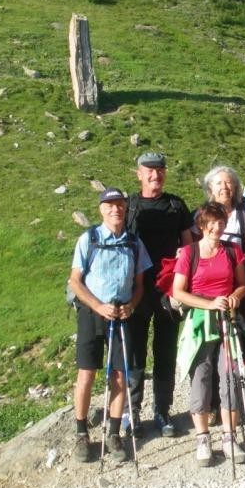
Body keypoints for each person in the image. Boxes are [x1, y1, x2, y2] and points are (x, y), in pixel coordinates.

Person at [67, 188, 153, 462]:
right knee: (86, 372)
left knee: (120, 374)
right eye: (110, 205)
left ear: (125, 209)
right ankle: (81, 433)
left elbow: (140, 285)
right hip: (92, 313)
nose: (115, 210)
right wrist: (97, 305)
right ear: (101, 209)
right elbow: (75, 281)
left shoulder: (135, 243)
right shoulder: (89, 238)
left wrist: (132, 305)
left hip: (122, 313)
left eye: (120, 205)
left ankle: (114, 432)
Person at [174, 202, 245, 467]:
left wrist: (233, 297)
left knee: (230, 376)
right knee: (201, 376)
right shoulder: (188, 252)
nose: (218, 228)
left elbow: (243, 285)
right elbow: (178, 291)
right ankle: (203, 438)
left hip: (227, 319)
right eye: (212, 223)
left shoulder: (232, 251)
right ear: (202, 226)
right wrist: (208, 303)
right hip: (200, 321)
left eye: (221, 223)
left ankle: (229, 437)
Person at [125, 151, 194, 438]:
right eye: (149, 170)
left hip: (167, 289)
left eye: (160, 170)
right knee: (134, 351)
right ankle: (133, 410)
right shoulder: (128, 206)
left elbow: (189, 245)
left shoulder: (176, 205)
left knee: (166, 351)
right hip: (136, 289)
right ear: (139, 173)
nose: (156, 175)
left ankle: (162, 410)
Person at [202, 166, 245, 391]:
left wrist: (229, 258)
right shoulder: (201, 214)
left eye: (229, 183)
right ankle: (217, 380)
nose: (225, 187)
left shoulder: (243, 215)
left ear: (236, 188)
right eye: (219, 183)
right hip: (209, 281)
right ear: (210, 188)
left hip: (239, 280)